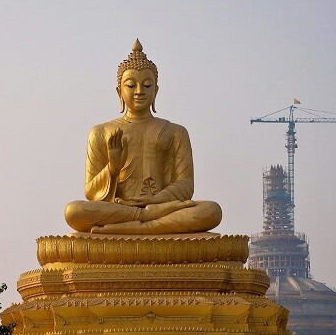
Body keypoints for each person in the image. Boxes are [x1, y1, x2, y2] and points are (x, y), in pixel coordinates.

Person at [64, 40, 222, 235]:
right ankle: (143, 220)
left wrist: (156, 202)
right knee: (74, 211)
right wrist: (112, 169)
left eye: (147, 85)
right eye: (131, 85)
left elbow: (185, 186)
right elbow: (91, 193)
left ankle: (139, 226)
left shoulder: (176, 132)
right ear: (119, 91)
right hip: (122, 209)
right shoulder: (101, 132)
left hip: (161, 208)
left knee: (211, 211)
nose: (139, 91)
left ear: (156, 91)